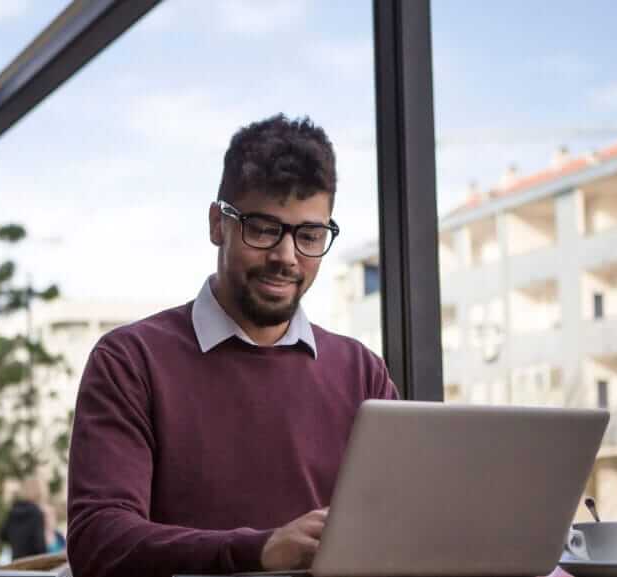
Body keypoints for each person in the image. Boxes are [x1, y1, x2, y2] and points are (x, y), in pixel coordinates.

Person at [66, 114, 398, 577]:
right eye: (262, 228)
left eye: (309, 236)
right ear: (217, 224)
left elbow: (403, 530)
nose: (287, 257)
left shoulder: (362, 371)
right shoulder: (131, 360)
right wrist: (258, 550)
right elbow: (98, 539)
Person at [0, 479, 47, 559]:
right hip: (33, 563)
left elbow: (3, 535)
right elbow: (39, 544)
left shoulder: (13, 511)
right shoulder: (36, 513)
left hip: (16, 561)